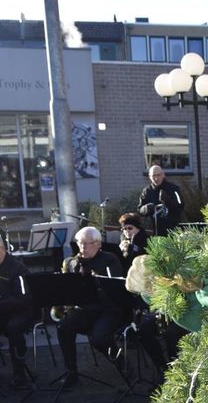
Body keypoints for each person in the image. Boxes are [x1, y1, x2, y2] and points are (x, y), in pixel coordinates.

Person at [55, 226, 126, 387]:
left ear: (98, 244)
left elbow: (115, 290)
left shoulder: (109, 259)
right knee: (63, 327)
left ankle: (121, 362)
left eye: (88, 243)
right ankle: (71, 372)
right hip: (84, 309)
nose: (83, 247)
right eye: (80, 243)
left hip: (108, 310)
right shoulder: (71, 262)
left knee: (99, 339)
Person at [0, 232, 34, 388]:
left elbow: (24, 300)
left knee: (13, 328)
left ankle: (19, 373)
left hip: (21, 311)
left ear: (3, 249)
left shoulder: (18, 268)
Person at [138, 165, 183, 236]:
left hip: (174, 231)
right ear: (149, 177)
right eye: (153, 176)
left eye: (158, 175)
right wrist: (146, 208)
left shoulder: (174, 189)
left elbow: (180, 206)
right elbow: (140, 210)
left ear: (163, 175)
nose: (156, 178)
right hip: (155, 231)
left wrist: (168, 201)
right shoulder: (146, 191)